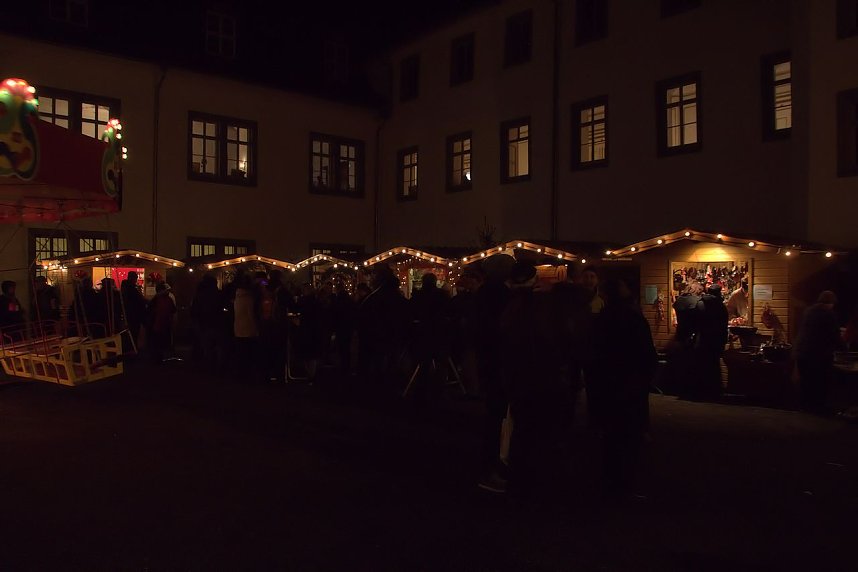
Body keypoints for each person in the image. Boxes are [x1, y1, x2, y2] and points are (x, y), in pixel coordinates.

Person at [591, 278, 657, 498]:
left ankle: (609, 483)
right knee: (630, 438)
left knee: (610, 438)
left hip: (608, 386)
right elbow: (647, 356)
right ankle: (625, 485)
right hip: (631, 386)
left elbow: (593, 357)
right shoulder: (634, 320)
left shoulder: (601, 320)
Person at [795, 291, 842, 414]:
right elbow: (834, 335)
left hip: (802, 352)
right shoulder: (828, 314)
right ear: (831, 303)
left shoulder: (808, 311)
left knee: (806, 381)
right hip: (818, 355)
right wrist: (843, 348)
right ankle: (818, 408)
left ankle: (804, 407)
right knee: (820, 382)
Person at [695, 284, 728, 400]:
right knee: (714, 365)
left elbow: (696, 322)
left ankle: (702, 390)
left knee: (702, 365)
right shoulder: (720, 306)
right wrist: (724, 340)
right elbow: (723, 326)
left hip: (702, 339)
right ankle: (714, 391)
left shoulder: (700, 303)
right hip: (716, 340)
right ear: (718, 293)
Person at [191, 274, 227, 370]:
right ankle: (219, 366)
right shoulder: (219, 294)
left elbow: (194, 311)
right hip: (218, 324)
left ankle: (210, 366)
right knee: (219, 346)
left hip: (205, 324)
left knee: (207, 347)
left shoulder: (199, 295)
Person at [232, 273, 260, 381]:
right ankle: (247, 375)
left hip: (238, 328)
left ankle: (241, 374)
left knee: (241, 353)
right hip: (248, 330)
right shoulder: (248, 299)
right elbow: (251, 315)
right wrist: (256, 329)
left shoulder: (237, 298)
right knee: (248, 354)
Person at [147, 282, 176, 363]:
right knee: (162, 342)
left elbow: (149, 311)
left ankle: (157, 358)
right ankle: (161, 358)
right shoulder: (168, 299)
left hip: (157, 324)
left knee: (157, 342)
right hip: (165, 324)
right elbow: (173, 310)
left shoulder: (155, 299)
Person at [120, 271, 147, 352]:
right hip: (134, 314)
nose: (136, 280)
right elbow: (140, 300)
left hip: (129, 314)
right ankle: (133, 349)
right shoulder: (132, 288)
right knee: (134, 332)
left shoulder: (125, 287)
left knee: (131, 333)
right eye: (135, 278)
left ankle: (130, 348)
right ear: (132, 278)